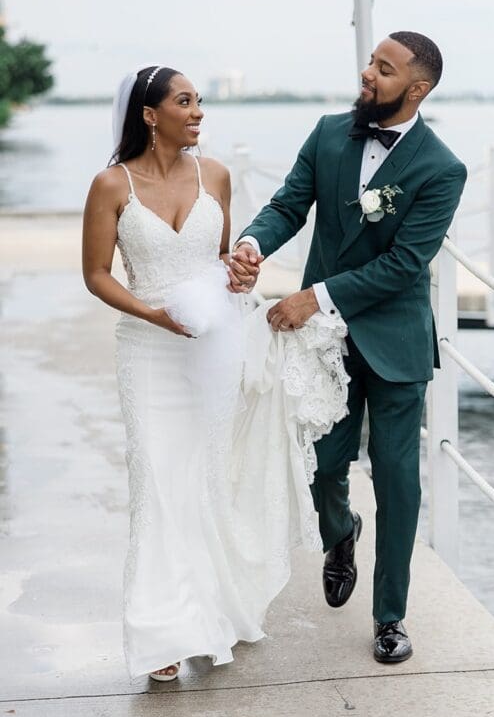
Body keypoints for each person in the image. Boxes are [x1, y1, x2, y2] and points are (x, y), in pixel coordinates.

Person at [82, 66, 348, 684]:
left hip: (214, 349)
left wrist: (242, 272)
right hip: (148, 351)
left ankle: (209, 613)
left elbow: (223, 263)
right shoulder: (111, 184)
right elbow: (96, 274)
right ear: (150, 114)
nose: (198, 111)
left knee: (206, 480)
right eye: (184, 101)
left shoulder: (217, 176)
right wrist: (153, 314)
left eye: (199, 101)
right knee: (157, 483)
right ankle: (162, 631)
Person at [230, 31, 467, 663]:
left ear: (417, 88)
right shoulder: (329, 133)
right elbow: (288, 205)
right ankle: (341, 532)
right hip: (324, 345)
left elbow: (405, 264)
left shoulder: (442, 168)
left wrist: (314, 296)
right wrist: (252, 244)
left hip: (395, 343)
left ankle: (391, 616)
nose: (368, 74)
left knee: (396, 480)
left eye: (384, 69)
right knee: (319, 466)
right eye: (370, 62)